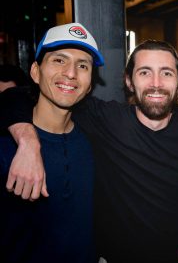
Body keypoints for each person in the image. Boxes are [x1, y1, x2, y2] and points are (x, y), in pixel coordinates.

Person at [1, 40, 178, 262]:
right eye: (145, 72)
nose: (156, 83)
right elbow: (15, 96)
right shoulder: (104, 119)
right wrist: (28, 140)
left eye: (166, 73)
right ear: (129, 81)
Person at [0, 22, 104, 262]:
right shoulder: (7, 146)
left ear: (90, 85)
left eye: (83, 65)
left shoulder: (95, 139)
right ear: (35, 72)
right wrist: (27, 141)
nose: (71, 73)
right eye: (59, 60)